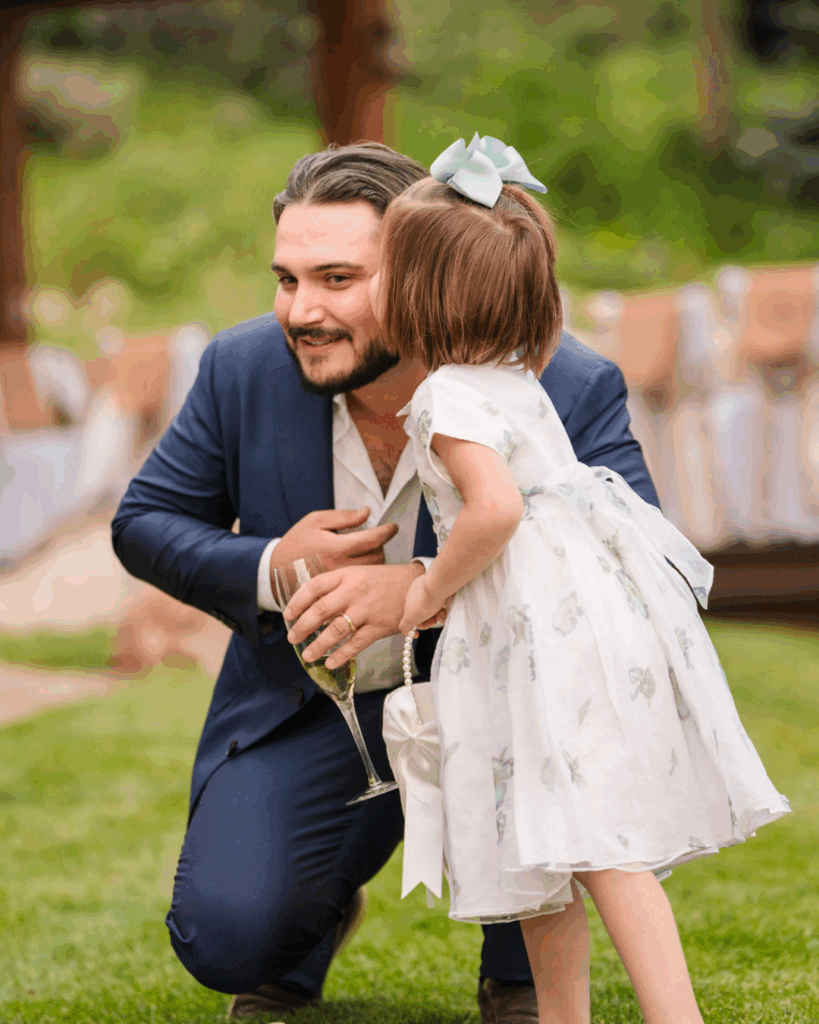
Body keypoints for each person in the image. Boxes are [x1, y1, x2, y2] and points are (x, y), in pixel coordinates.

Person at [112, 140, 665, 1024]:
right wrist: (270, 565)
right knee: (227, 939)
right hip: (318, 707)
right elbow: (143, 522)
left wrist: (418, 586)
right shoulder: (239, 367)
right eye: (287, 279)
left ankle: (519, 970)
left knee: (533, 762)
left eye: (337, 279)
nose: (302, 310)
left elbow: (635, 557)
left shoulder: (563, 382)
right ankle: (311, 916)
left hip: (514, 706)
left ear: (421, 273)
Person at [332, 138, 789, 1024]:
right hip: (568, 618)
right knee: (543, 850)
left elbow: (495, 510)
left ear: (421, 293)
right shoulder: (513, 376)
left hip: (534, 639)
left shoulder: (447, 398)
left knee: (598, 846)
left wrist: (425, 592)